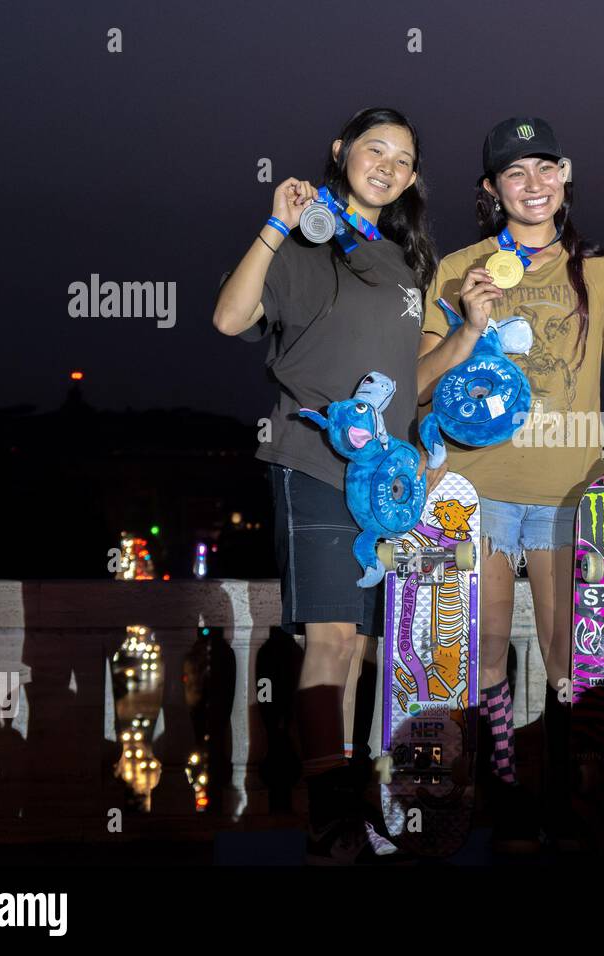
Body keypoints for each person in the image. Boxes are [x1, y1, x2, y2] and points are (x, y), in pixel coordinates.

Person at [213, 106, 439, 863]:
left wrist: (470, 332)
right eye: (374, 149)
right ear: (341, 152)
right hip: (312, 463)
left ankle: (352, 789)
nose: (388, 165)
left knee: (370, 646)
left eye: (403, 158)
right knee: (331, 639)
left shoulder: (404, 260)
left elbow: (410, 382)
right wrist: (274, 225)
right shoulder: (306, 236)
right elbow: (227, 318)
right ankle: (331, 810)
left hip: (389, 484)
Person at [417, 117, 604, 852]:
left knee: (565, 653)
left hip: (567, 489)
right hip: (474, 488)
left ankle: (563, 794)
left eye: (546, 168)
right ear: (491, 189)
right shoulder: (455, 267)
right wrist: (469, 322)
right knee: (482, 653)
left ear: (565, 176)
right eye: (516, 173)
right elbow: (421, 388)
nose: (534, 185)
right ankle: (505, 795)